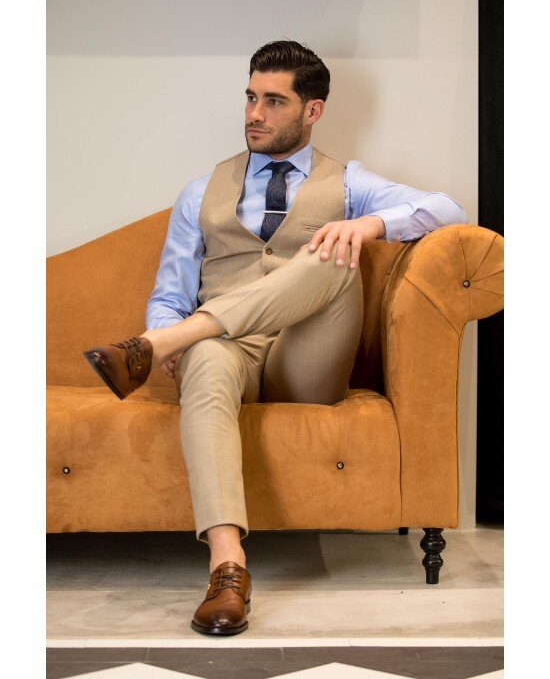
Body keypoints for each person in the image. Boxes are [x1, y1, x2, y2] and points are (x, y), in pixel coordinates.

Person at [83, 40, 467, 636]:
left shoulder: (348, 182)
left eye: (274, 101)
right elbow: (169, 291)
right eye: (250, 97)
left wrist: (368, 224)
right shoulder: (200, 191)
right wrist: (167, 330)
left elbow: (449, 209)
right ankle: (228, 567)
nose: (254, 114)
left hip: (304, 355)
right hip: (229, 355)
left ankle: (168, 343)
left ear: (313, 110)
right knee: (205, 352)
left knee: (335, 248)